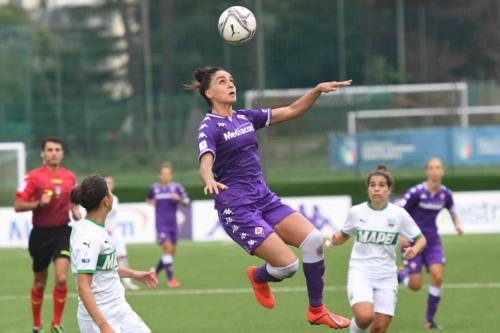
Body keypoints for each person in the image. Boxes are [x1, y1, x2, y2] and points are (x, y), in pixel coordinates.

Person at [189, 66, 352, 329]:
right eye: (222, 81)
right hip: (238, 209)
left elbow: (292, 110)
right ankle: (258, 276)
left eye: (231, 79)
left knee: (313, 241)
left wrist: (317, 91)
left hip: (264, 199)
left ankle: (317, 311)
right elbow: (205, 161)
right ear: (209, 92)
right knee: (288, 267)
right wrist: (207, 178)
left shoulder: (244, 117)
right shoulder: (209, 126)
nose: (231, 84)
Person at [328, 165, 427, 333]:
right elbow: (344, 234)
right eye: (372, 185)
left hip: (387, 276)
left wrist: (415, 249)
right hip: (361, 272)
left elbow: (421, 239)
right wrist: (335, 240)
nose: (376, 189)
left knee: (379, 328)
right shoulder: (356, 212)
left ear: (389, 189)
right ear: (368, 188)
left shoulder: (399, 214)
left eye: (382, 185)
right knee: (365, 317)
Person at [70, 175, 158, 333]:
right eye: (109, 193)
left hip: (120, 308)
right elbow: (83, 287)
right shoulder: (88, 236)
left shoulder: (97, 228)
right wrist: (103, 326)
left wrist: (135, 274)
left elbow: (104, 270)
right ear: (106, 200)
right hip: (99, 317)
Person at [14, 138, 81, 333]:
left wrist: (75, 210)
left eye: (57, 149)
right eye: (49, 150)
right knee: (40, 282)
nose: (54, 153)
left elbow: (72, 201)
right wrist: (38, 204)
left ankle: (56, 324)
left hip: (62, 232)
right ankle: (37, 324)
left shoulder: (70, 177)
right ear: (43, 153)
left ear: (62, 153)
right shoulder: (33, 177)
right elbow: (18, 205)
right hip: (40, 235)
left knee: (61, 278)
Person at [397, 158, 463, 329]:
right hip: (413, 242)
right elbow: (398, 212)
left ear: (442, 171)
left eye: (438, 167)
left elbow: (453, 210)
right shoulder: (416, 192)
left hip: (432, 241)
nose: (435, 171)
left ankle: (429, 319)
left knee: (437, 277)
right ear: (427, 171)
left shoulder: (445, 194)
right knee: (415, 285)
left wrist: (457, 225)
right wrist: (400, 235)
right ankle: (400, 275)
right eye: (431, 168)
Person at [148, 162, 190, 288]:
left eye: (168, 174)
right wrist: (152, 202)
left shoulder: (177, 187)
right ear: (159, 175)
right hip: (161, 225)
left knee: (171, 254)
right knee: (167, 249)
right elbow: (149, 199)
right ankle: (171, 280)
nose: (166, 176)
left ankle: (154, 272)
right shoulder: (154, 188)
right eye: (163, 174)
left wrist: (179, 199)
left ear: (170, 175)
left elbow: (187, 201)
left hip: (173, 225)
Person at [104, 176, 140, 291]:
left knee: (122, 256)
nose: (109, 185)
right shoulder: (97, 199)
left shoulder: (115, 198)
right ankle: (105, 284)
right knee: (104, 259)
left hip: (115, 232)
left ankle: (127, 283)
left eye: (110, 182)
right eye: (106, 183)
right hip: (102, 233)